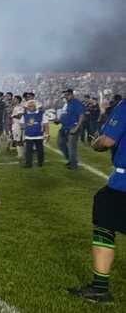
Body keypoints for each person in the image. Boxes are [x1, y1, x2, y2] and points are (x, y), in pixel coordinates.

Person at [68, 98, 125, 304]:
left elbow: (107, 141)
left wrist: (95, 142)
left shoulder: (125, 106)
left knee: (104, 218)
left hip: (123, 184)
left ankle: (100, 288)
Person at [57, 88, 85, 169]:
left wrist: (76, 128)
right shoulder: (66, 104)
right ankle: (71, 160)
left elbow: (82, 116)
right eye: (65, 95)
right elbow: (65, 115)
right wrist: (59, 121)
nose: (65, 96)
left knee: (71, 146)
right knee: (60, 143)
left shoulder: (76, 103)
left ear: (72, 94)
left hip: (73, 127)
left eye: (67, 95)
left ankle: (73, 165)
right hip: (64, 127)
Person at [22, 100, 49, 168]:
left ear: (35, 106)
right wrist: (27, 124)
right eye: (29, 106)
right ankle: (28, 164)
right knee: (28, 151)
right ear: (27, 107)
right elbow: (21, 124)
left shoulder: (41, 113)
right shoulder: (25, 115)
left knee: (40, 150)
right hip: (28, 136)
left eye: (32, 106)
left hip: (39, 135)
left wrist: (47, 134)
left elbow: (46, 124)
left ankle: (40, 163)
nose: (31, 107)